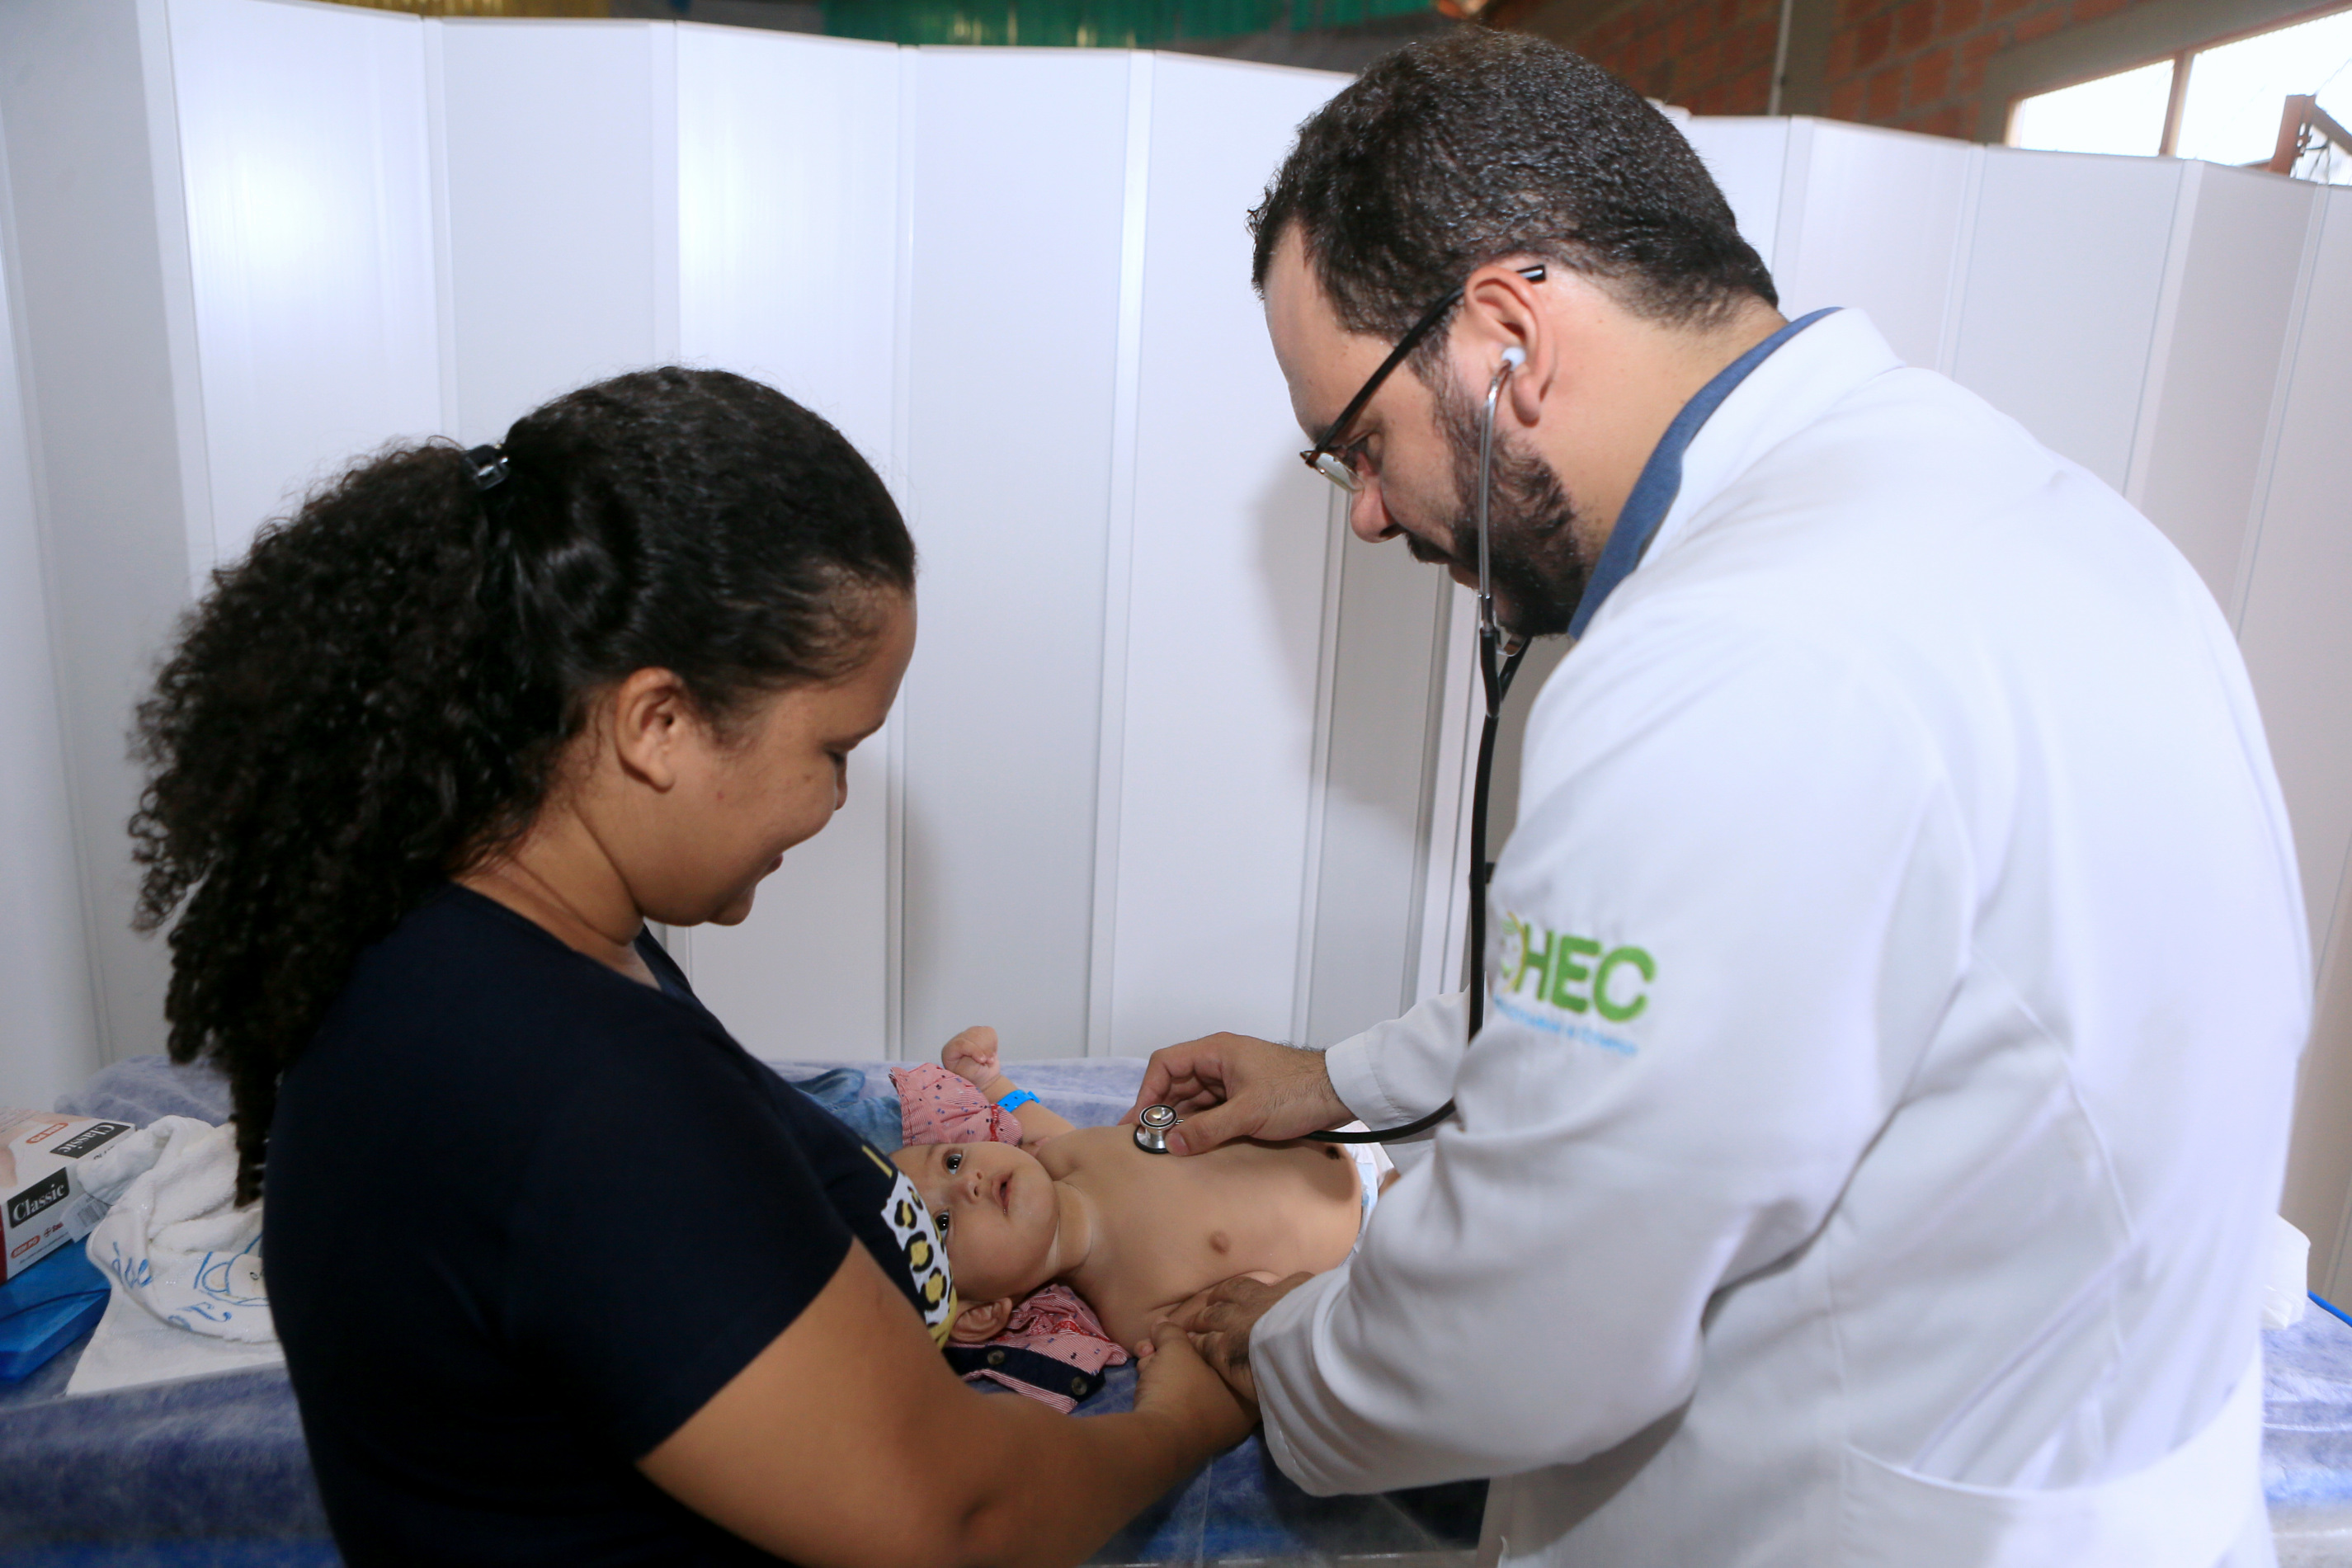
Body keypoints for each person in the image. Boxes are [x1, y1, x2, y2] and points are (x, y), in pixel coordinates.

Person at [1134, 32, 2309, 1568]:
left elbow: (1528, 1334)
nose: (1365, 513)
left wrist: (1280, 1350)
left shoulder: (1724, 659)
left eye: (1359, 442)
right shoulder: (2045, 521)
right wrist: (1344, 1077)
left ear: (1504, 339)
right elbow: (1757, 1004)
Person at [130, 368, 1249, 1566]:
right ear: (656, 723)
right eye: (834, 749)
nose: (834, 800)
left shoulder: (494, 935)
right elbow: (963, 1518)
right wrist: (1186, 1417)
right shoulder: (570, 1092)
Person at [892, 1028, 1366, 1348]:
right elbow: (1252, 1319)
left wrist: (986, 1078)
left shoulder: (1060, 1154)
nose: (968, 1185)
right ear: (979, 1314)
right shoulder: (1136, 1311)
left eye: (953, 1161)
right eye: (942, 1224)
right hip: (1367, 1229)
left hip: (1340, 1114)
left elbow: (1022, 1110)